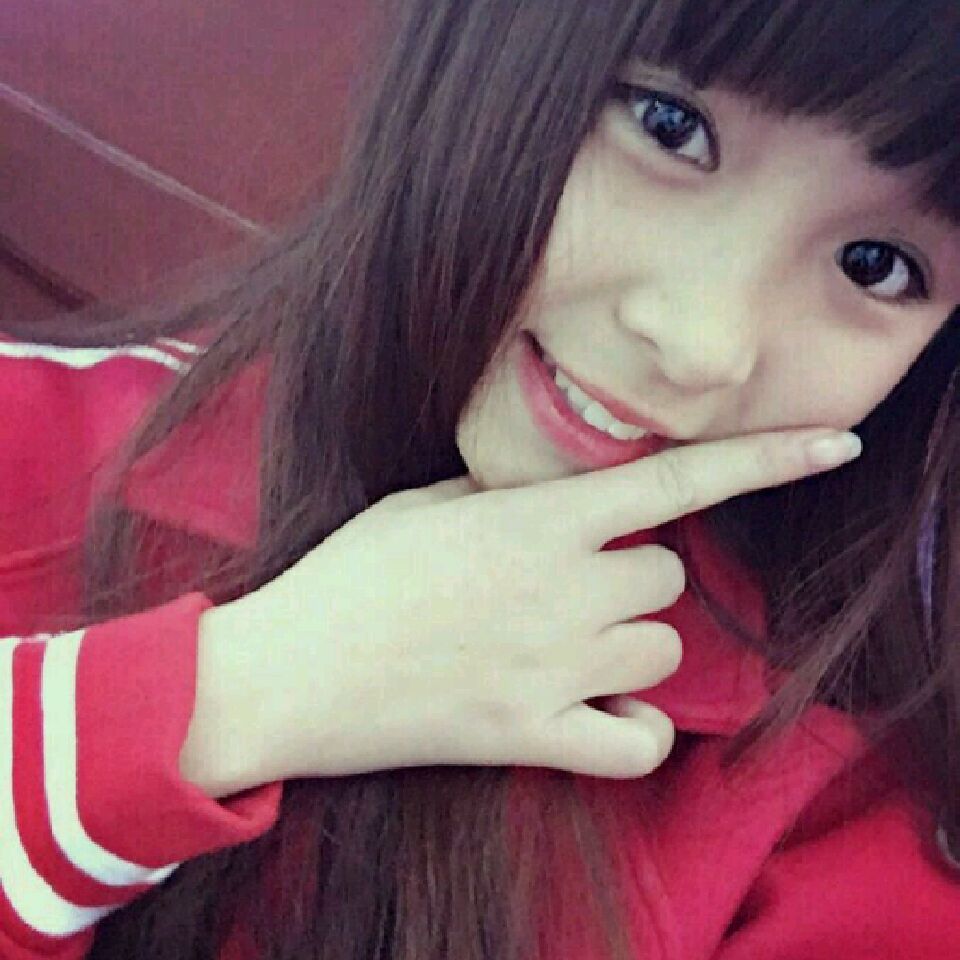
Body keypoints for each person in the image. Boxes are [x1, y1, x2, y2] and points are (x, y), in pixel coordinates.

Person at [2, 0, 960, 957]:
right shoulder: (36, 443)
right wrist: (232, 695)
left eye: (876, 266)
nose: (700, 344)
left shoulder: (827, 819)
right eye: (670, 126)